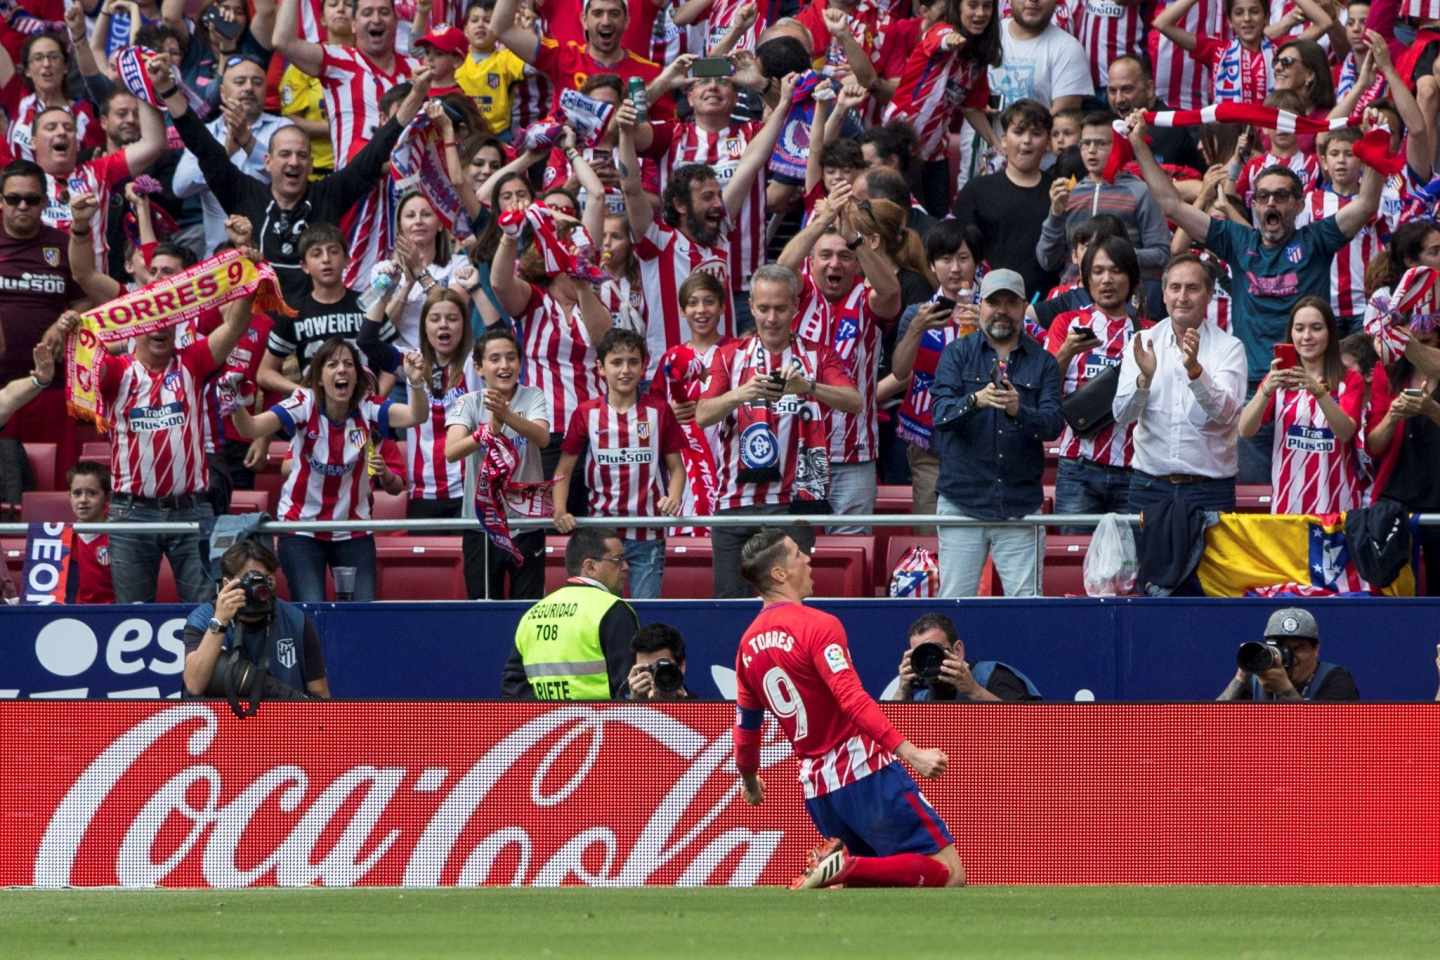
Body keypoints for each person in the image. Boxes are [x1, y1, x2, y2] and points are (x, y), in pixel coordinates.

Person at [1125, 106, 1381, 483]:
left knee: (1314, 490)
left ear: (1298, 203)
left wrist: (1374, 150)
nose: (1271, 204)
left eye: (1281, 197)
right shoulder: (1236, 240)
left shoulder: (1317, 240)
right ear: (1254, 204)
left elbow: (1365, 205)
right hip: (1255, 390)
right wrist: (1138, 145)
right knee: (1256, 499)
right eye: (1263, 197)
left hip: (1311, 386)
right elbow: (1170, 205)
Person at [731, 528, 963, 889]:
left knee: (878, 886)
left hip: (819, 790)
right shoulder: (819, 626)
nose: (808, 558)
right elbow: (852, 699)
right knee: (949, 875)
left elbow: (746, 728)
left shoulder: (746, 646)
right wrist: (911, 752)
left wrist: (749, 780)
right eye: (796, 554)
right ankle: (844, 869)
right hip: (864, 772)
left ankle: (844, 870)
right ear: (779, 574)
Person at [156, 56, 430, 301]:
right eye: (285, 154)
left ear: (311, 163)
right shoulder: (244, 193)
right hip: (259, 322)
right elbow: (203, 145)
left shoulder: (328, 195)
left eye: (301, 155)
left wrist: (417, 94)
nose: (294, 162)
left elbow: (377, 148)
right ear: (267, 161)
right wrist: (168, 90)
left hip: (315, 326)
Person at [696, 264, 861, 598]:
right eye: (763, 308)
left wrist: (808, 386)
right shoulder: (729, 356)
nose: (771, 318)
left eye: (781, 308)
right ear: (752, 307)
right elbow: (702, 415)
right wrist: (742, 393)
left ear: (796, 308)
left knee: (790, 604)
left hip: (793, 504)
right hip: (734, 503)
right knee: (730, 607)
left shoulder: (817, 355)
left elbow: (854, 402)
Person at [616, 74, 797, 370]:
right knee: (649, 420)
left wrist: (784, 101)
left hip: (722, 375)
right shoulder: (655, 241)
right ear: (679, 205)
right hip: (667, 376)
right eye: (708, 197)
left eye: (717, 196)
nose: (718, 204)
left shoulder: (721, 233)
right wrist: (625, 133)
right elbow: (631, 187)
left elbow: (751, 161)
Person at [231, 337, 430, 602]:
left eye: (349, 364)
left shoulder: (368, 407)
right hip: (301, 528)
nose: (341, 370)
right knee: (312, 608)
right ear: (319, 378)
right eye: (332, 364)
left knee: (361, 613)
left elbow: (417, 416)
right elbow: (251, 428)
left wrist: (415, 381)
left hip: (353, 529)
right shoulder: (304, 402)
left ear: (357, 377)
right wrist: (235, 402)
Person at [929, 268, 1063, 598]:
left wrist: (1020, 410)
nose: (1002, 309)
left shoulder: (1044, 361)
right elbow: (939, 415)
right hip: (962, 501)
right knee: (954, 603)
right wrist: (975, 400)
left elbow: (1053, 424)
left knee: (1028, 608)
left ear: (1022, 308)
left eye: (1010, 302)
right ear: (980, 306)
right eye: (993, 302)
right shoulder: (957, 353)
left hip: (1020, 504)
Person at [777, 187, 903, 532]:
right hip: (799, 451)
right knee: (797, 551)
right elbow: (781, 269)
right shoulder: (797, 295)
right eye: (826, 256)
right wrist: (820, 223)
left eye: (845, 256)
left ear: (857, 262)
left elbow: (892, 292)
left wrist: (855, 239)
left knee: (851, 552)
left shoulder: (867, 297)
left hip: (855, 455)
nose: (835, 263)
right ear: (812, 261)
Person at [553, 329, 685, 598]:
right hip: (601, 535)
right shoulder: (585, 413)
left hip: (648, 533)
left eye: (633, 362)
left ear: (644, 365)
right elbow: (563, 470)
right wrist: (559, 509)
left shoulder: (659, 410)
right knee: (601, 614)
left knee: (644, 615)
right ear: (600, 368)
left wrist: (673, 496)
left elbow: (677, 469)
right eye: (616, 362)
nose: (625, 370)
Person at [1113, 254, 1247, 515]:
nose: (1182, 297)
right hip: (1149, 487)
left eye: (1192, 288)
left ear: (1209, 295)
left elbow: (1226, 414)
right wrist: (1144, 379)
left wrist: (1196, 371)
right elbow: (1122, 415)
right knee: (1147, 558)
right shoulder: (1143, 342)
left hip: (1210, 490)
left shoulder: (1229, 348)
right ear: (1163, 294)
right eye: (1175, 287)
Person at [886, 220, 985, 532]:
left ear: (977, 263)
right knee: (930, 533)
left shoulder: (993, 310)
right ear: (931, 264)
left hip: (980, 443)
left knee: (976, 537)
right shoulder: (917, 313)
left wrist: (988, 330)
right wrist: (917, 328)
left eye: (963, 258)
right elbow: (900, 371)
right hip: (929, 442)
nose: (954, 269)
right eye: (945, 259)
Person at [444, 327, 552, 600]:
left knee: (527, 609)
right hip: (481, 524)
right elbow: (452, 451)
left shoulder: (533, 396)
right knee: (483, 607)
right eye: (495, 359)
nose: (504, 365)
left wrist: (506, 416)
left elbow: (542, 438)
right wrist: (487, 432)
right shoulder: (468, 402)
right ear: (479, 368)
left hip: (527, 524)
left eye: (511, 358)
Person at [1045, 236, 1148, 518]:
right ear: (1086, 278)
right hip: (1078, 465)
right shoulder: (1066, 323)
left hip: (1134, 467)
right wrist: (1066, 351)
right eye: (1098, 271)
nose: (1107, 280)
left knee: (1130, 561)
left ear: (1131, 278)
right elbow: (1045, 388)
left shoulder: (1150, 332)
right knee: (1075, 559)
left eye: (1116, 271)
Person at [361, 286, 481, 518]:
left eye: (452, 318)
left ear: (464, 326)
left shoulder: (477, 362)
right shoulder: (412, 360)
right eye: (435, 319)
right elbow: (366, 341)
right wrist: (385, 293)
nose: (443, 324)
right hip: (423, 492)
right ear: (424, 327)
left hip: (469, 490)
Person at [1238, 297, 1364, 515]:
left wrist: (1318, 391)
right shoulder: (1278, 378)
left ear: (1330, 333)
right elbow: (1245, 430)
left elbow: (1345, 433)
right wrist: (1266, 390)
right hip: (1288, 508)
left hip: (1338, 509)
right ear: (1291, 334)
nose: (1307, 336)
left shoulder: (1349, 379)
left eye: (1316, 328)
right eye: (1299, 329)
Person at [171, 55, 296, 254]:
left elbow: (291, 178)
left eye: (257, 82)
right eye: (240, 82)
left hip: (272, 253)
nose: (248, 88)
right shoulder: (206, 133)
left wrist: (248, 142)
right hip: (219, 259)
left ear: (266, 91)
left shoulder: (284, 129)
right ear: (222, 91)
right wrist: (224, 154)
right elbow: (180, 187)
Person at [182, 538, 330, 700]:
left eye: (266, 579)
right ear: (227, 583)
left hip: (282, 719)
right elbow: (194, 685)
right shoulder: (203, 618)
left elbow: (320, 696)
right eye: (251, 579)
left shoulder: (296, 620)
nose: (259, 588)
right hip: (223, 719)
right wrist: (220, 621)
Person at [502, 527, 639, 700]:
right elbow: (629, 687)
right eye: (618, 560)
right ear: (590, 566)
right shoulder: (612, 609)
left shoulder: (532, 614)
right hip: (597, 724)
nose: (626, 567)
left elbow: (513, 686)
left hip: (547, 724)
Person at [259, 224, 388, 396]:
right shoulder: (293, 312)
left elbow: (392, 363)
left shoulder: (370, 303)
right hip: (315, 414)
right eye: (316, 253)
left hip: (366, 411)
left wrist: (376, 402)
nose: (326, 259)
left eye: (333, 251)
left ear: (347, 260)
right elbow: (264, 373)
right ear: (304, 266)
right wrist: (305, 394)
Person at [952, 99, 1058, 300]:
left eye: (1036, 134)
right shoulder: (977, 191)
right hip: (988, 301)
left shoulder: (1058, 192)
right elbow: (959, 251)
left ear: (1048, 143)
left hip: (1044, 305)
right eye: (1018, 132)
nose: (1026, 140)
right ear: (1003, 139)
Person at [890, 613, 1041, 702]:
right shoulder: (921, 696)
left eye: (936, 650)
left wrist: (974, 691)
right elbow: (883, 744)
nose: (930, 659)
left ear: (957, 650)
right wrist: (902, 691)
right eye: (921, 654)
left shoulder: (992, 676)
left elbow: (1033, 727)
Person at [1216, 606, 1359, 701]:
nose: (1289, 656)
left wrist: (1286, 691)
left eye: (1297, 648)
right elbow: (1210, 728)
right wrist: (1241, 677)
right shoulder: (1255, 681)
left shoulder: (1335, 678)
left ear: (1316, 650)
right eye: (1281, 648)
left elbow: (1331, 739)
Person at [988, 0, 1093, 114]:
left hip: (1041, 131)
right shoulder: (987, 35)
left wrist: (1022, 131)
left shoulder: (1069, 48)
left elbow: (1063, 118)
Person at [65, 460, 115, 605]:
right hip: (73, 619)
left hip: (114, 617)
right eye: (77, 493)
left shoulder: (119, 537)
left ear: (107, 497)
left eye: (92, 493)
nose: (83, 500)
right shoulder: (62, 538)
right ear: (69, 496)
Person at [626, 622, 692, 701]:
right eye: (648, 670)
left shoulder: (699, 710)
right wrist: (634, 704)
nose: (655, 678)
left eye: (663, 669)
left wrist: (680, 706)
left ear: (682, 667)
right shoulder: (617, 711)